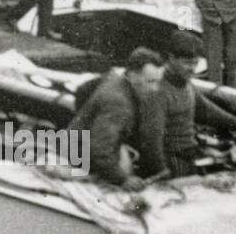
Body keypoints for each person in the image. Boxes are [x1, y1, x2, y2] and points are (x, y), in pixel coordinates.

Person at [157, 30, 236, 177]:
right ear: (171, 58)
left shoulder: (186, 84)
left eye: (195, 63)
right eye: (187, 63)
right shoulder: (158, 89)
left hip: (190, 153)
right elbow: (151, 139)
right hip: (170, 161)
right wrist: (162, 170)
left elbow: (206, 110)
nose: (192, 69)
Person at [66, 46, 166, 190]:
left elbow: (83, 90)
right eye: (150, 82)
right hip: (77, 161)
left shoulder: (115, 79)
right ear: (132, 75)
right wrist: (123, 179)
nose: (155, 89)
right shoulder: (119, 103)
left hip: (77, 148)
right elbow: (100, 151)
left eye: (158, 82)